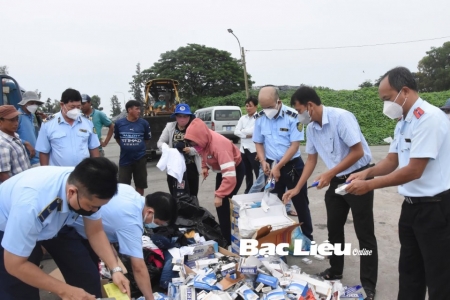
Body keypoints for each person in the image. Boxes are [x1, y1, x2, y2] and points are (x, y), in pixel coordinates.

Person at [345, 67, 450, 300]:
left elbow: (414, 170)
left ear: (404, 91)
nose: (385, 105)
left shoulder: (429, 118)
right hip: (412, 207)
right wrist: (367, 173)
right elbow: (393, 160)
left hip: (436, 209)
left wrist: (370, 186)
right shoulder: (403, 121)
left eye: (387, 98)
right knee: (410, 272)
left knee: (439, 277)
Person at [283, 86, 378, 300]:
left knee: (365, 233)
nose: (299, 115)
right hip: (336, 180)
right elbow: (311, 159)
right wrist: (297, 188)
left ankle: (368, 285)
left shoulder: (341, 117)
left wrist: (329, 174)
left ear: (309, 106)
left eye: (299, 110)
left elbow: (358, 152)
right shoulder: (312, 129)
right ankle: (335, 271)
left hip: (359, 176)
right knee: (334, 229)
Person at [0, 157, 130, 300]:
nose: (95, 211)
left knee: (86, 276)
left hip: (59, 223)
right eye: (92, 206)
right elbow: (14, 264)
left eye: (99, 207)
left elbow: (96, 231)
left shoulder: (87, 185)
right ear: (71, 192)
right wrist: (64, 290)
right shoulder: (30, 205)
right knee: (19, 289)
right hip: (10, 227)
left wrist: (115, 269)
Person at [69, 185, 177, 300]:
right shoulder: (132, 223)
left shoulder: (129, 191)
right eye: (157, 223)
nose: (155, 226)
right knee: (89, 282)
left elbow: (108, 219)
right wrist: (150, 298)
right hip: (69, 228)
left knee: (92, 272)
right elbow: (138, 267)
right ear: (150, 212)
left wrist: (110, 248)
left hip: (84, 224)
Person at [253, 85, 313, 241]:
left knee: (300, 202)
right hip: (271, 166)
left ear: (278, 101)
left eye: (269, 106)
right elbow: (258, 142)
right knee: (273, 203)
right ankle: (277, 238)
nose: (267, 110)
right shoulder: (259, 118)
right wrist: (263, 160)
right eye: (263, 107)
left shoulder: (293, 116)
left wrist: (279, 166)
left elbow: (294, 145)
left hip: (292, 165)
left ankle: (307, 237)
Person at [185, 118, 244, 246]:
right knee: (221, 206)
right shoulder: (204, 140)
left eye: (195, 144)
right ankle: (226, 234)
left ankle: (229, 240)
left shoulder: (220, 147)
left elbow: (230, 176)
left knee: (223, 204)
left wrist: (220, 195)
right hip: (222, 171)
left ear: (202, 137)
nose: (195, 147)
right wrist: (204, 166)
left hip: (234, 170)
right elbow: (203, 152)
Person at [35, 88, 100, 166]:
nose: (75, 110)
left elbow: (93, 148)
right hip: (59, 175)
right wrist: (46, 173)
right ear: (62, 105)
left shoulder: (87, 122)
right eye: (72, 107)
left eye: (78, 107)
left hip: (83, 174)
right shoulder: (48, 124)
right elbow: (43, 152)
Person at [157, 103, 201, 197]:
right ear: (175, 117)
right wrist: (169, 150)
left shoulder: (195, 128)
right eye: (179, 116)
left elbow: (202, 147)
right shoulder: (170, 127)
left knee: (192, 195)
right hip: (174, 167)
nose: (182, 119)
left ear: (189, 117)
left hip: (190, 167)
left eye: (185, 116)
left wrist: (191, 150)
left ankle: (192, 211)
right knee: (175, 194)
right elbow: (160, 143)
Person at [114, 100, 151, 196]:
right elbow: (118, 138)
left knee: (140, 184)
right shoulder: (119, 123)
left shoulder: (144, 123)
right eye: (137, 109)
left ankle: (138, 204)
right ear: (129, 110)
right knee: (123, 185)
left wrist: (136, 146)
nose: (139, 111)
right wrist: (126, 146)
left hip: (140, 159)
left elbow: (146, 139)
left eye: (139, 109)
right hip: (125, 159)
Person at [234, 96, 260, 194]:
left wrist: (243, 132)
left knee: (258, 172)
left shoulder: (259, 118)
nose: (248, 108)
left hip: (254, 150)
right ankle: (248, 191)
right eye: (246, 106)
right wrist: (247, 135)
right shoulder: (242, 118)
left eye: (250, 106)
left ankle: (259, 191)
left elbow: (254, 131)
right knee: (247, 172)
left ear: (256, 106)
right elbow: (236, 131)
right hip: (243, 149)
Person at [0, 105, 31, 183]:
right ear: (1, 121)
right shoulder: (2, 144)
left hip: (25, 182)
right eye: (11, 120)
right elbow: (3, 174)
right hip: (16, 188)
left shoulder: (15, 137)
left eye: (16, 119)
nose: (16, 123)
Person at [17, 91, 44, 167]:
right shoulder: (18, 116)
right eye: (31, 103)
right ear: (24, 103)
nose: (34, 105)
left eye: (36, 103)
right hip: (27, 158)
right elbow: (10, 136)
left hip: (37, 157)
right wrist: (25, 142)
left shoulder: (33, 116)